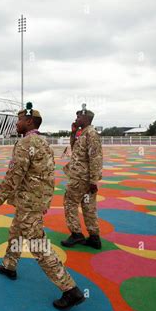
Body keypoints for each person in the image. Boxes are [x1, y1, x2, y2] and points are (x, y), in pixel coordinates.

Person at [0, 102, 85, 310]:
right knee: (16, 231)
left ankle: (70, 289)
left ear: (29, 121)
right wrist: (44, 201)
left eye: (20, 119)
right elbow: (48, 175)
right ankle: (9, 265)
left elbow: (15, 175)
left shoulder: (25, 144)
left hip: (28, 202)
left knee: (37, 245)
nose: (16, 123)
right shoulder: (43, 143)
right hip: (35, 200)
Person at [61, 104, 103, 249]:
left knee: (70, 203)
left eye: (79, 116)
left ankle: (76, 234)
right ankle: (94, 237)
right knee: (88, 206)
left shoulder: (91, 134)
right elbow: (74, 150)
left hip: (81, 178)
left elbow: (95, 158)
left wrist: (93, 180)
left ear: (85, 118)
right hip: (84, 178)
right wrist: (73, 133)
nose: (76, 118)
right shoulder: (83, 133)